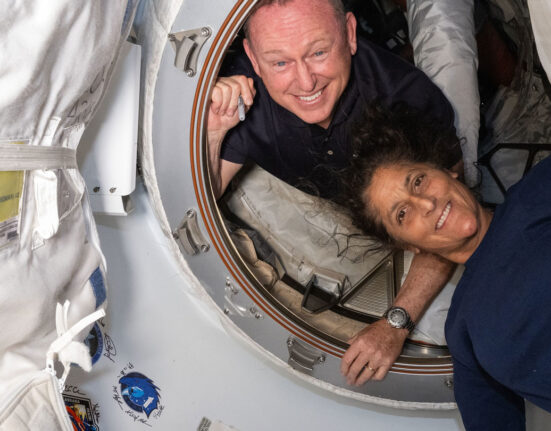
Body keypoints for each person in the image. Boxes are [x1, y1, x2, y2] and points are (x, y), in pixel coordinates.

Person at [207, 0, 464, 383]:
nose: (306, 81)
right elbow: (203, 197)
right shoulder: (242, 95)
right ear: (253, 58)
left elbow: (450, 221)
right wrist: (214, 131)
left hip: (401, 210)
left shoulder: (407, 99)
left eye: (318, 52)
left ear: (350, 34)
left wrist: (396, 322)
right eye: (280, 62)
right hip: (322, 201)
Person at [337, 105, 551, 430]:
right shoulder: (462, 331)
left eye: (419, 181)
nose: (425, 204)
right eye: (402, 215)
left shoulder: (537, 195)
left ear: (448, 171)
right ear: (410, 246)